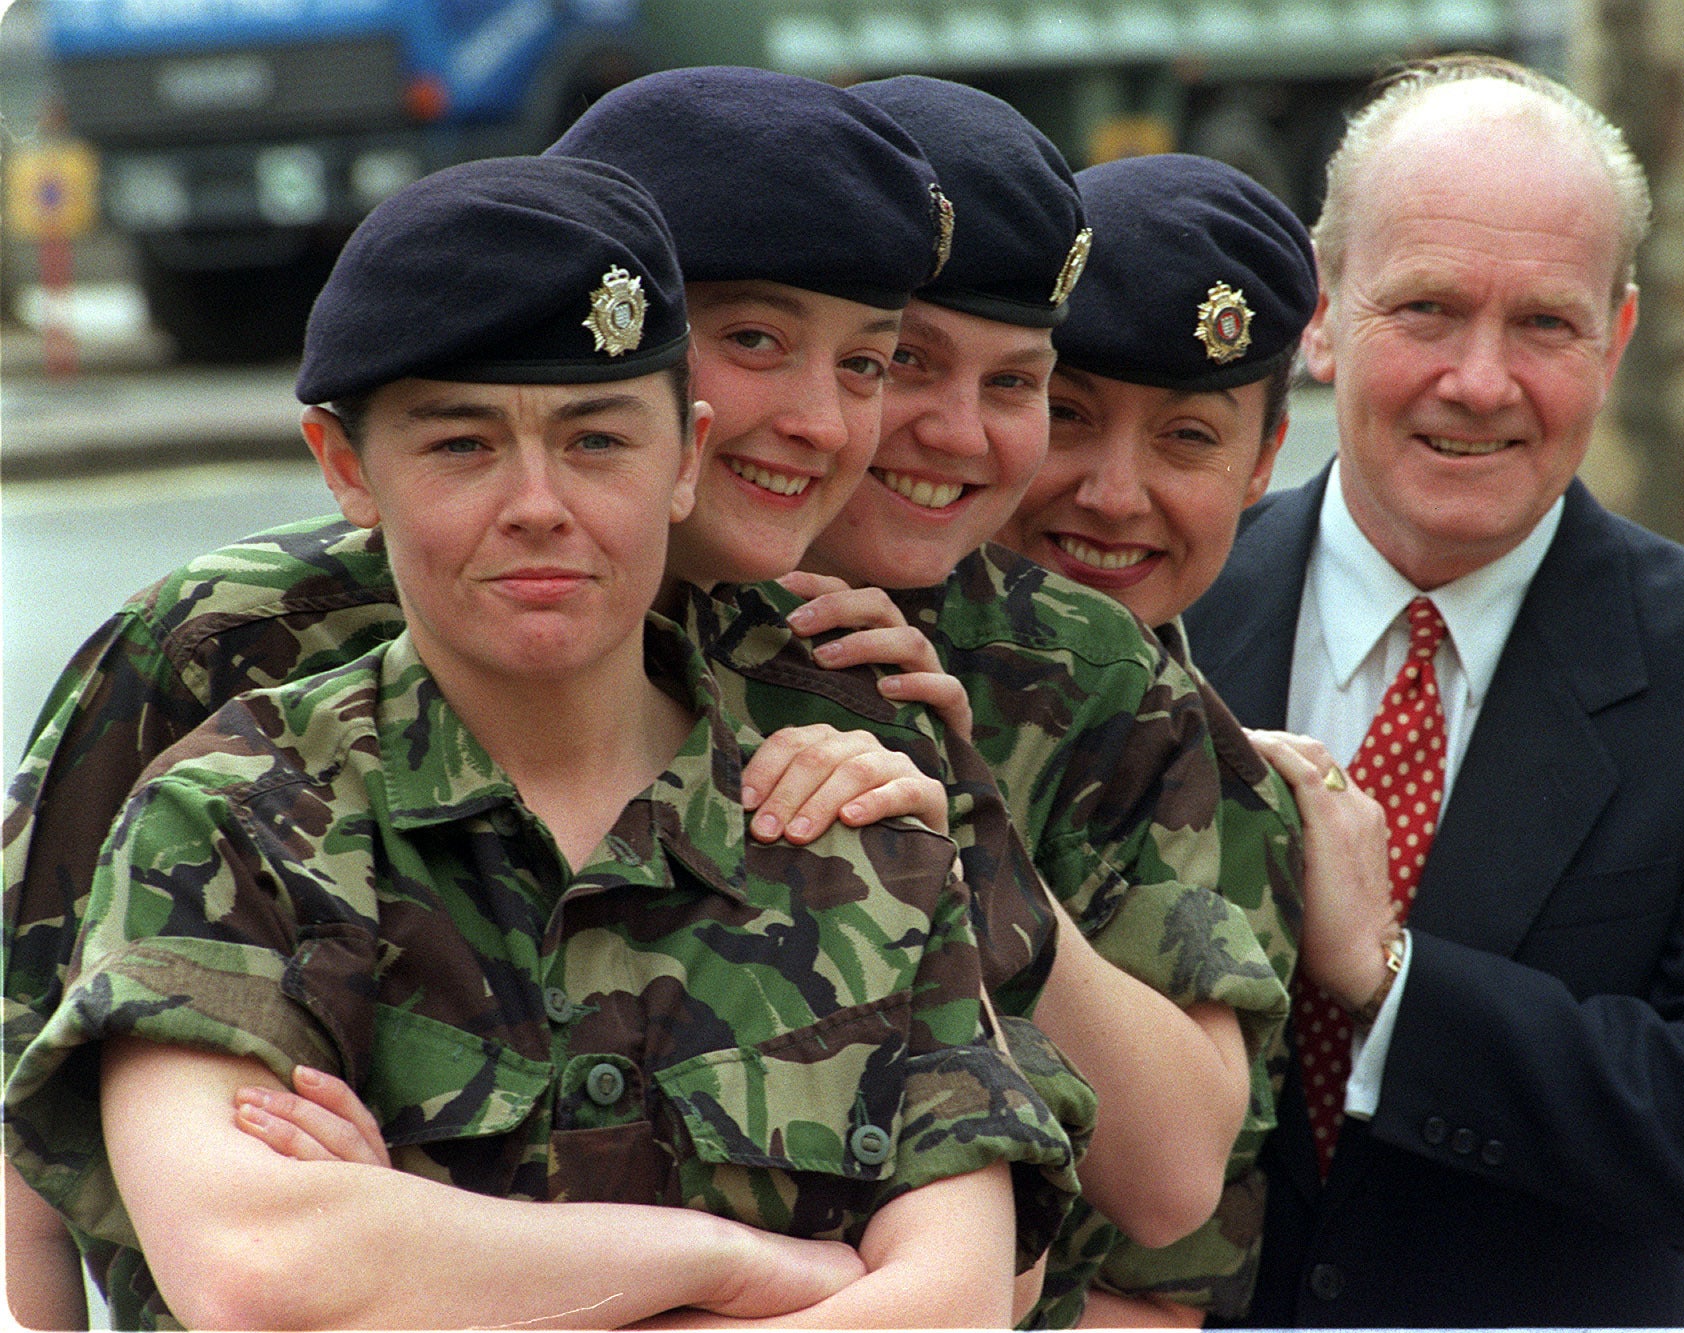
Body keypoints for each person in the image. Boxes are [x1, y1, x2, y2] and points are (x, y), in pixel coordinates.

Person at [3, 70, 1084, 1325]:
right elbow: (184, 1216)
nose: (815, 418)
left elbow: (978, 1278)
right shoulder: (233, 686)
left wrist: (417, 1245)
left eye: (863, 362)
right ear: (356, 469)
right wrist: (736, 1270)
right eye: (755, 341)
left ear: (672, 447)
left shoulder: (840, 725)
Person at [1178, 55, 1684, 1327]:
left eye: (1542, 323)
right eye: (1428, 309)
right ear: (1323, 315)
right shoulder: (1148, 620)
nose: (1480, 380)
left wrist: (1389, 978)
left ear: (1611, 340)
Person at [767, 82, 1297, 1327]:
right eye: (903, 364)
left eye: (1013, 385)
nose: (954, 432)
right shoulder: (488, 615)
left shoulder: (1121, 705)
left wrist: (964, 824)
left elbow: (1166, 1230)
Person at [996, 151, 1364, 1327]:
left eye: (1187, 440)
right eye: (1065, 415)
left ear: (1263, 462)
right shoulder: (826, 654)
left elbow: (1155, 1291)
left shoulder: (1228, 799)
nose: (1113, 492)